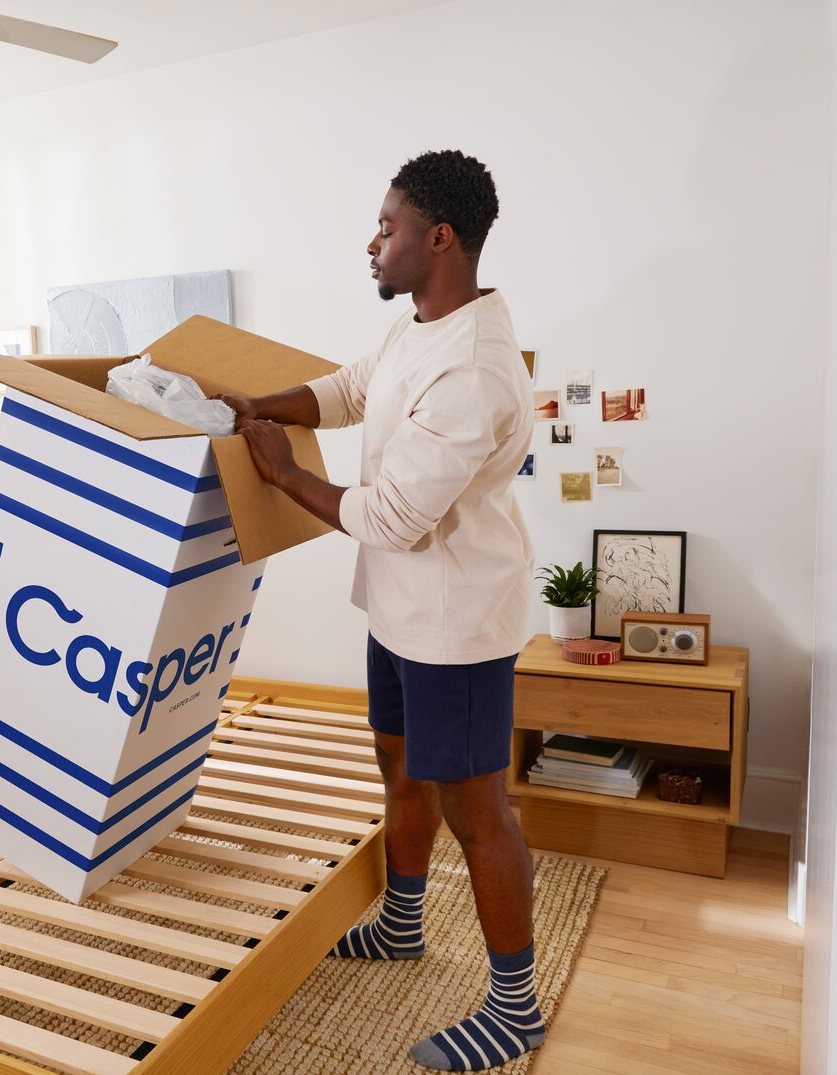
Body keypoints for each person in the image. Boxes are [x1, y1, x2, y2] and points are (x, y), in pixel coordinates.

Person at [216, 150, 543, 1071]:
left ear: (439, 238)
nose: (373, 241)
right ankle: (403, 924)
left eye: (388, 226)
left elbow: (396, 516)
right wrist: (255, 404)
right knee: (399, 772)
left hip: (455, 628)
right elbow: (352, 388)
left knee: (478, 813)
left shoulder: (477, 368)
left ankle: (515, 1010)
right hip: (398, 615)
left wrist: (285, 471)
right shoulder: (420, 326)